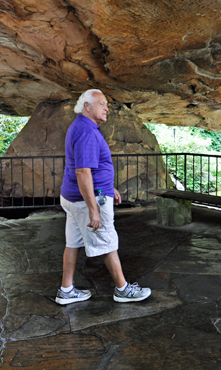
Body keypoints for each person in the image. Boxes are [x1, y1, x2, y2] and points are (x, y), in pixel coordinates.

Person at [56, 89, 152, 305]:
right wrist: (93, 209)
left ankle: (66, 290)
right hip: (86, 200)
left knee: (73, 243)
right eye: (101, 103)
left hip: (75, 197)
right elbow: (82, 171)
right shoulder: (87, 131)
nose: (107, 107)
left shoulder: (82, 127)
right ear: (87, 107)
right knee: (107, 242)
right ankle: (122, 289)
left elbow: (91, 168)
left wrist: (109, 187)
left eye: (106, 104)